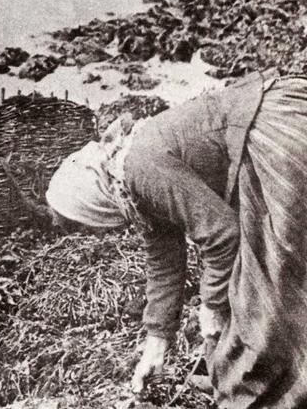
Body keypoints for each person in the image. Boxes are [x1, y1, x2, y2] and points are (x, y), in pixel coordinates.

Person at [45, 71, 307, 408]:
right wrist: (157, 342)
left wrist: (211, 305)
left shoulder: (140, 167)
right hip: (262, 132)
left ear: (94, 202)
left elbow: (223, 234)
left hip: (274, 136)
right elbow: (164, 263)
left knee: (270, 288)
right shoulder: (127, 181)